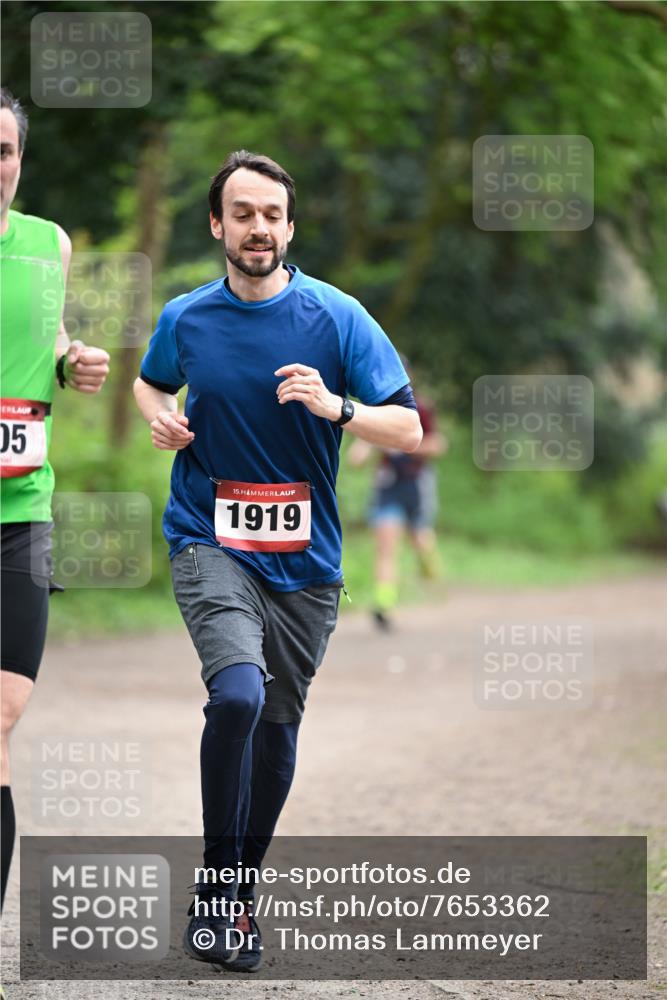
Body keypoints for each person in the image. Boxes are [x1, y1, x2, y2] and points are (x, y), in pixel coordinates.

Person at [133, 150, 422, 972]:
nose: (257, 227)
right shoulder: (187, 318)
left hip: (306, 563)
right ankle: (221, 889)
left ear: (289, 228)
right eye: (242, 213)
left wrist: (338, 405)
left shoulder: (336, 319)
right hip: (208, 538)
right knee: (236, 695)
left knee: (279, 724)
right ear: (218, 224)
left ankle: (232, 897)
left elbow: (407, 430)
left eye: (272, 215)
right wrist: (160, 418)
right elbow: (151, 385)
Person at [0, 89, 110, 914]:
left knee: (3, 712)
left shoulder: (48, 244)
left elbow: (51, 334)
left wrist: (73, 360)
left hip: (21, 512)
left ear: (20, 160)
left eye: (3, 151)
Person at [348, 365, 447, 631]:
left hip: (415, 484)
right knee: (386, 546)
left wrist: (406, 444)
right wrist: (363, 449)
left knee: (419, 539)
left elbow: (437, 445)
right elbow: (361, 448)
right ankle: (384, 604)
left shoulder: (421, 408)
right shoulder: (378, 410)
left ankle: (429, 566)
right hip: (387, 485)